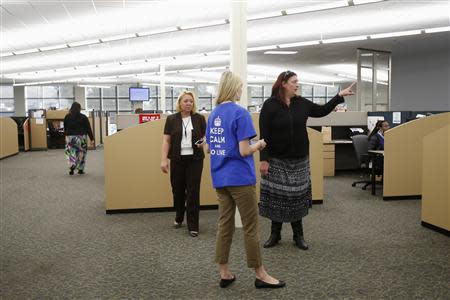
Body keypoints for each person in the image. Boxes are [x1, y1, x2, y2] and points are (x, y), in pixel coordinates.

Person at [259, 71, 355, 250]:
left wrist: (338, 96)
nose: (297, 85)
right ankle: (275, 233)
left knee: (297, 198)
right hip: (277, 159)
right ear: (284, 84)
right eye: (294, 82)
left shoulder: (301, 103)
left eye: (297, 82)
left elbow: (321, 110)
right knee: (277, 198)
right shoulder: (270, 105)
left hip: (299, 159)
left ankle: (298, 235)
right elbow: (264, 135)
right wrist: (263, 159)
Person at [207, 71, 285, 289]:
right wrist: (259, 145)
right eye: (240, 87)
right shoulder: (240, 114)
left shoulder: (213, 115)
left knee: (225, 225)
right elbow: (243, 151)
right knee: (251, 227)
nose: (242, 91)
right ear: (234, 88)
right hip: (240, 178)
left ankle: (224, 272)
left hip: (220, 177)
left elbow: (210, 147)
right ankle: (260, 274)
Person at [161, 91, 206, 237]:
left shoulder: (199, 118)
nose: (188, 103)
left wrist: (203, 142)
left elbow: (206, 136)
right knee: (178, 190)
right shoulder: (171, 119)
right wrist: (163, 159)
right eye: (185, 101)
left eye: (191, 101)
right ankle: (179, 215)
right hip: (177, 159)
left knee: (193, 192)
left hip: (195, 160)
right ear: (179, 103)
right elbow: (166, 141)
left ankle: (193, 225)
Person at [63, 102, 94, 175]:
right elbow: (88, 128)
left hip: (70, 137)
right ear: (79, 108)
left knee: (71, 152)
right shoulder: (83, 117)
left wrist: (66, 135)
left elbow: (65, 127)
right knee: (82, 153)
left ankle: (72, 166)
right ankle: (80, 169)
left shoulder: (67, 116)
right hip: (81, 137)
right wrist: (92, 139)